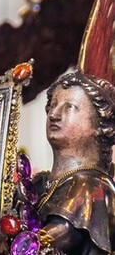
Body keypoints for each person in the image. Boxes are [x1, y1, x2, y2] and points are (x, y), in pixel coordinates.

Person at [34, 71, 115, 255]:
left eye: (69, 107)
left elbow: (56, 237)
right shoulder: (39, 184)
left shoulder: (91, 185)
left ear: (99, 125)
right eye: (52, 105)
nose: (53, 114)